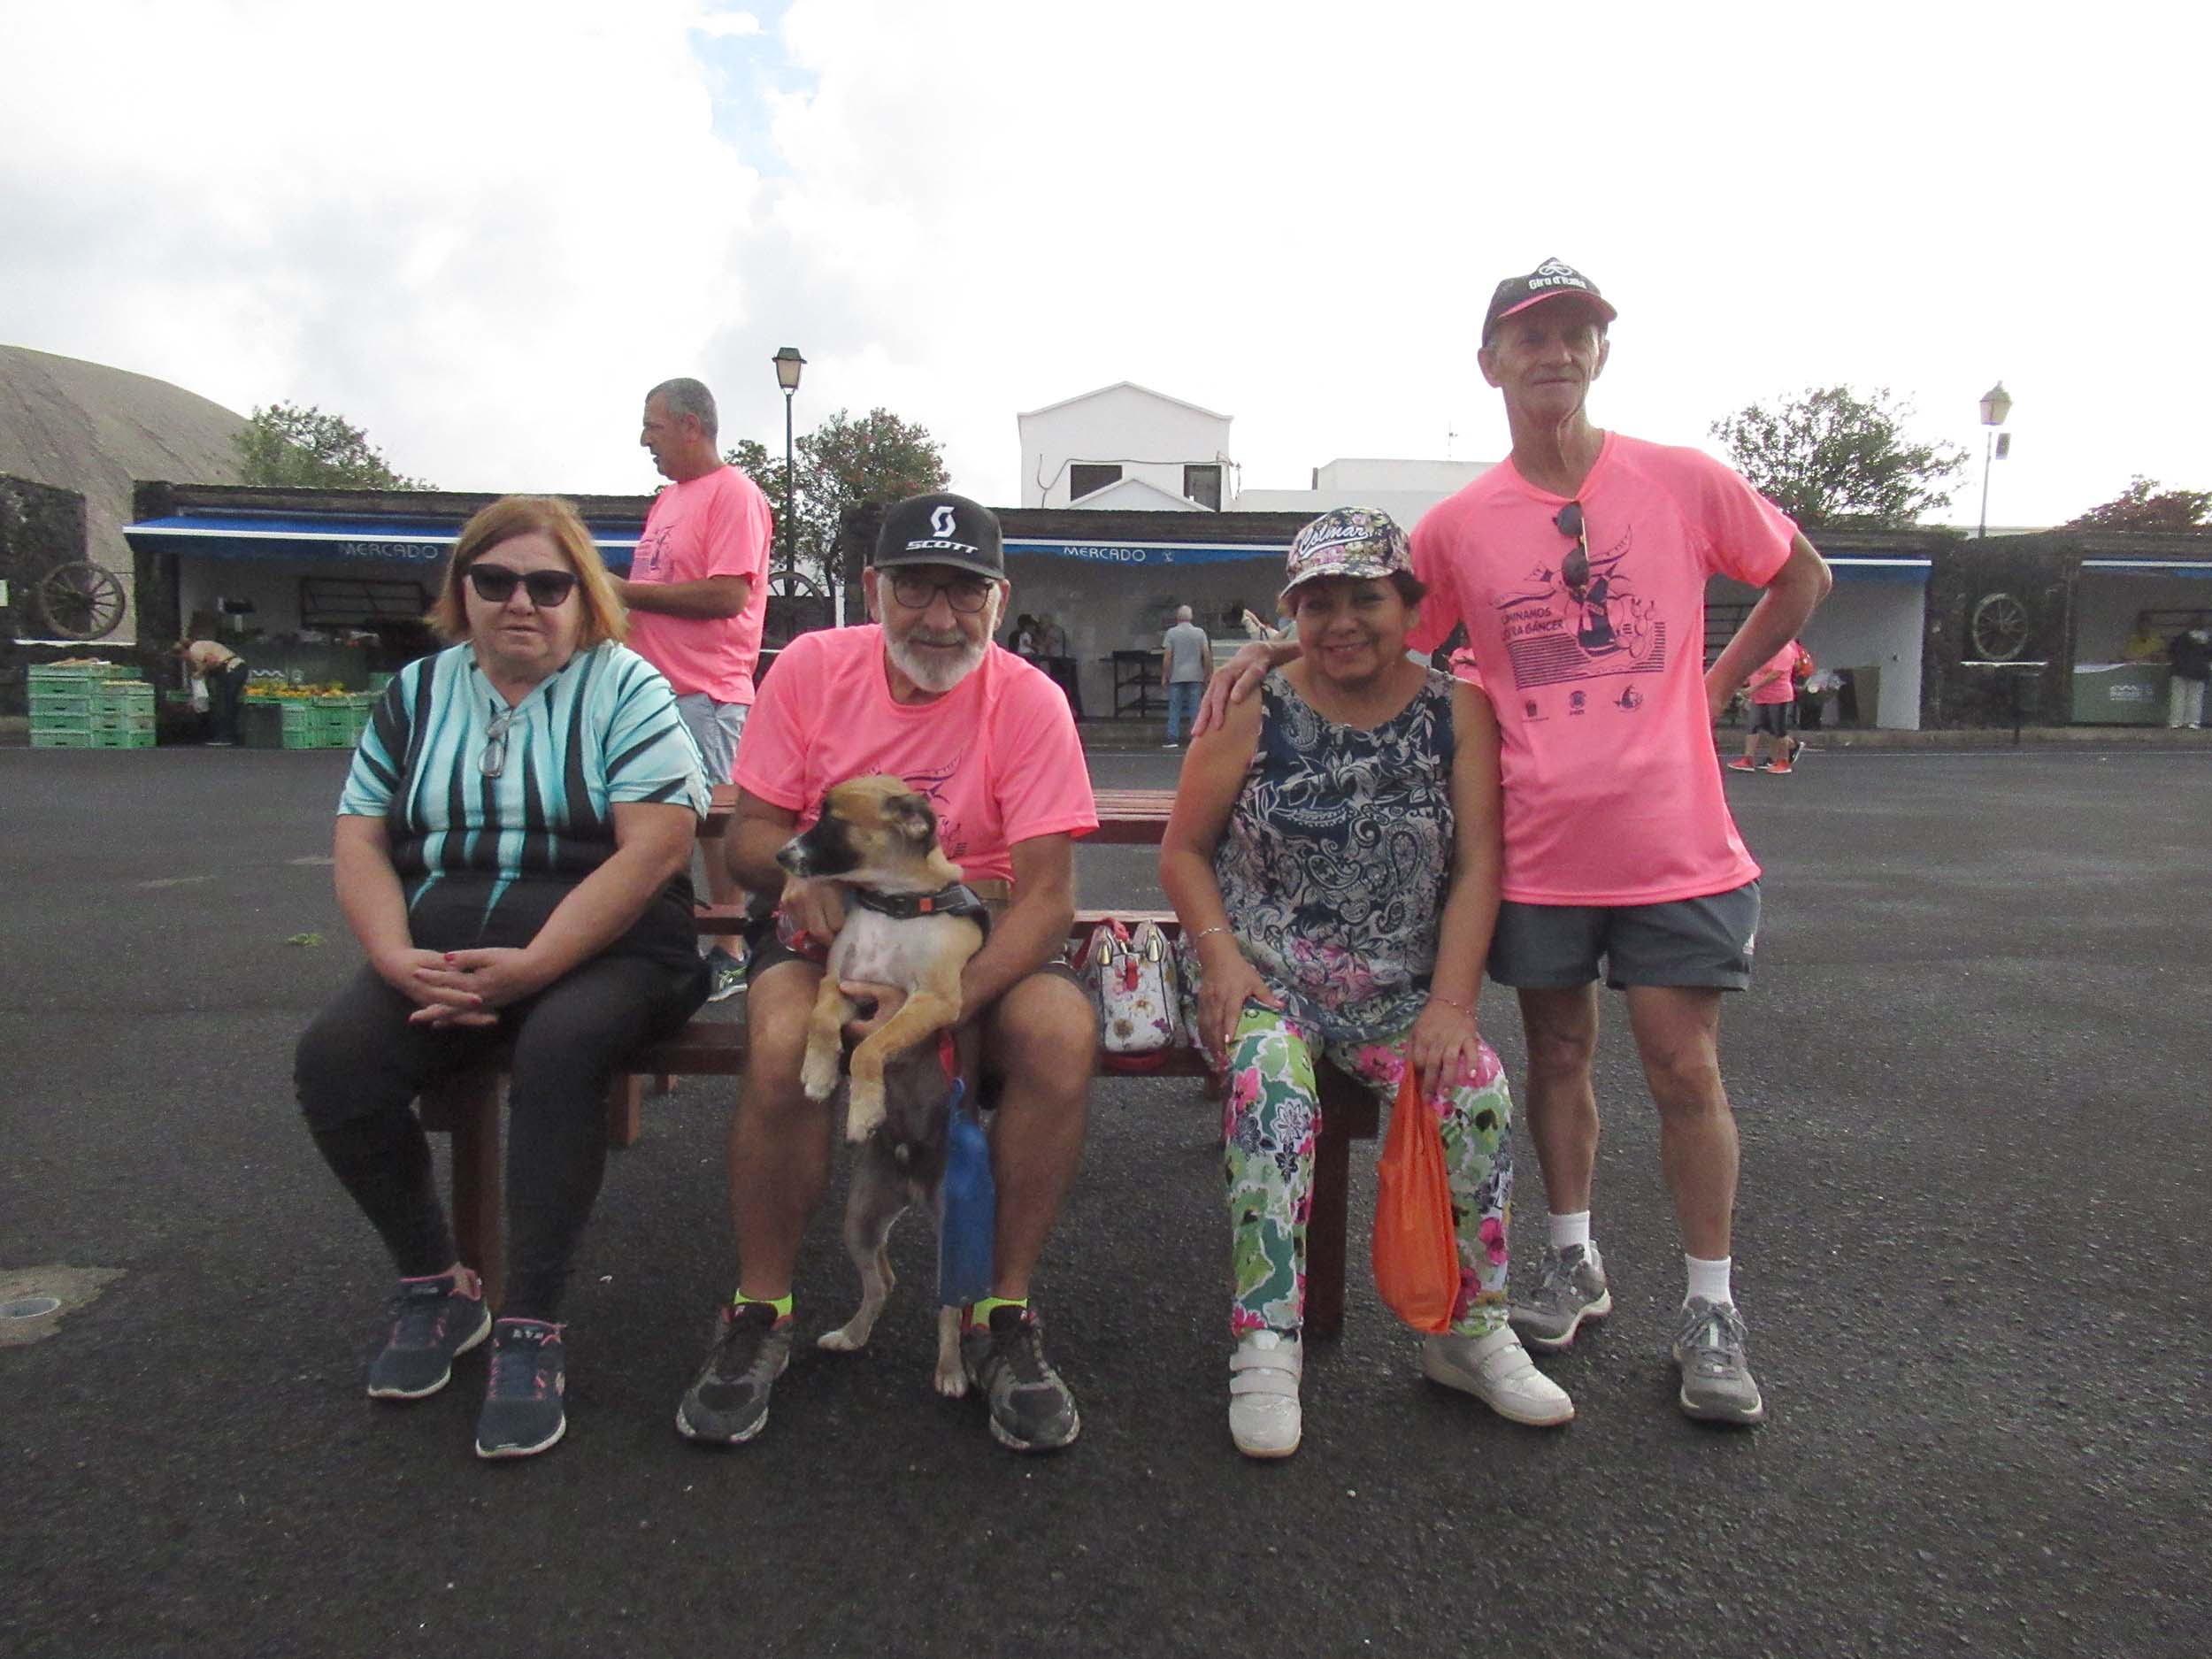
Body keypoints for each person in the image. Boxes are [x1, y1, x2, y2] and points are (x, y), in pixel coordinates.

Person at [1203, 259, 1831, 1425]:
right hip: (1540, 843)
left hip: (1675, 839)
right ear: (1490, 361)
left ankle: (1710, 1306)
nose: (1555, 351)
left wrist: (1713, 684)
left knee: (1684, 1067)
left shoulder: (1685, 479)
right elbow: (1380, 630)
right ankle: (1570, 1258)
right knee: (1554, 1056)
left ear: (1602, 352)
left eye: (1576, 331)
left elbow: (1801, 575)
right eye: (1530, 335)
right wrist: (1274, 653)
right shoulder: (1456, 528)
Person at [676, 491, 1099, 1455]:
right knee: (782, 1043)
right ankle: (762, 1308)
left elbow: (1045, 901)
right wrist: (800, 876)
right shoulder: (811, 669)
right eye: (915, 588)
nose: (940, 618)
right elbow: (748, 836)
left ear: (1000, 600)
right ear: (872, 589)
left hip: (972, 944)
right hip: (832, 944)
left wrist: (941, 1007)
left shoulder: (1029, 699)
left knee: (1060, 1035)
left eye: (966, 592)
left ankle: (1000, 1313)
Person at [293, 495, 710, 1459]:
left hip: (614, 945)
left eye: (549, 585)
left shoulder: (626, 686)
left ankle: (531, 1322)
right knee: (336, 1063)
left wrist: (537, 966)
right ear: (463, 590)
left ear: (585, 598)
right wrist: (392, 956)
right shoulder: (417, 692)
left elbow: (656, 847)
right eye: (495, 580)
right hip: (443, 947)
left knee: (561, 1050)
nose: (521, 602)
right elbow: (360, 837)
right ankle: (436, 1284)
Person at [1161, 508, 1569, 1459]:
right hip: (1264, 973)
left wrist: (1452, 1004)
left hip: (1397, 989)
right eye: (1317, 605)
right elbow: (1183, 851)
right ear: (1292, 616)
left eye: (1365, 599)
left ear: (1410, 606)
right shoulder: (1250, 705)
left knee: (1475, 1089)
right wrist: (1221, 958)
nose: (1341, 622)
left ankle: (1468, 1329)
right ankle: (1267, 1336)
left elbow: (1477, 863)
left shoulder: (1457, 712)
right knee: (1272, 1092)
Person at [618, 377, 775, 1003]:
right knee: (656, 818)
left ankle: (731, 951)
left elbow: (729, 594)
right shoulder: (667, 500)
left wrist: (621, 592)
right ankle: (673, 938)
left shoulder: (734, 493)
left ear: (690, 425)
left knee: (716, 822)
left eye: (652, 426)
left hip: (706, 689)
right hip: (650, 689)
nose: (644, 440)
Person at [1727, 639, 1809, 774]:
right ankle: (1748, 760)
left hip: (1778, 695)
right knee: (1753, 725)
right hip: (1759, 695)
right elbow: (1755, 669)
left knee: (1778, 729)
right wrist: (1747, 682)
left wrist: (1753, 688)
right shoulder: (1763, 649)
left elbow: (1776, 673)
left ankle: (1783, 761)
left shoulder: (1785, 650)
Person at [174, 636, 249, 746]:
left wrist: (200, 672)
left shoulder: (195, 648)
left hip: (232, 669)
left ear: (184, 652)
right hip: (234, 670)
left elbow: (213, 661)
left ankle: (225, 737)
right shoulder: (200, 648)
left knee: (224, 704)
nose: (185, 660)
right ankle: (229, 736)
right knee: (227, 703)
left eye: (183, 658)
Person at [1160, 604, 1212, 748]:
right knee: (1195, 708)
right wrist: (1208, 674)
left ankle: (1172, 738)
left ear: (1177, 617)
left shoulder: (1171, 633)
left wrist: (1165, 675)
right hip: (1196, 675)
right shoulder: (1200, 633)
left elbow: (1167, 657)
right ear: (1191, 617)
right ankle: (1195, 737)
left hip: (1176, 676)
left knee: (1174, 708)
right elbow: (1206, 655)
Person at [2166, 626, 2208, 728]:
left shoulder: (2180, 638)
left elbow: (2171, 652)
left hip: (2179, 669)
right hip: (2198, 671)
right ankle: (2193, 722)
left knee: (2178, 697)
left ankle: (2176, 722)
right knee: (2195, 697)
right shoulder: (2207, 639)